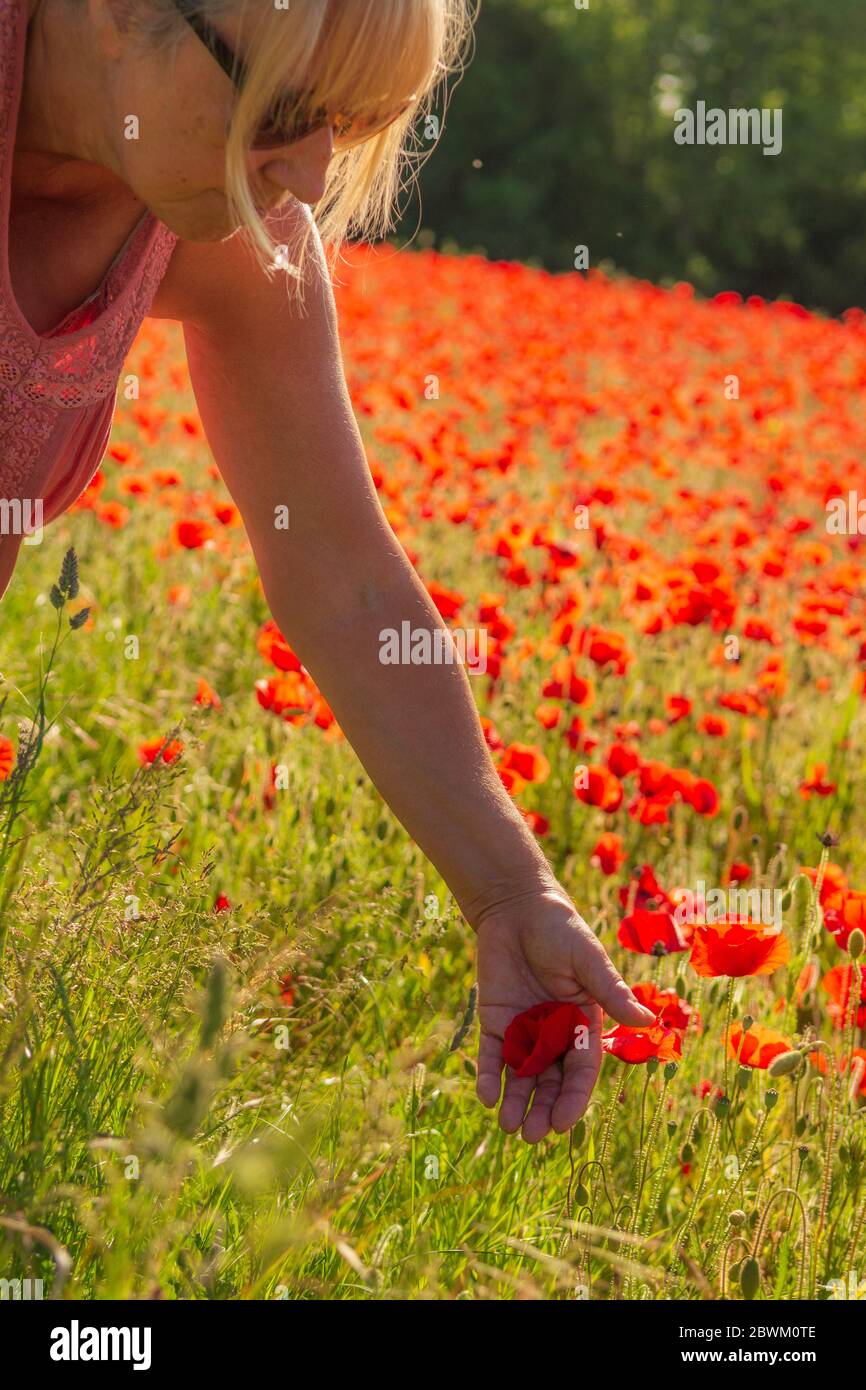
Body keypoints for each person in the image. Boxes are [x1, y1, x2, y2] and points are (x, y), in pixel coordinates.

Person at [0, 0, 655, 1143]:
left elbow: (341, 568)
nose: (303, 177)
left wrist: (508, 892)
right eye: (286, 113)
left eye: (345, 132)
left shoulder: (224, 228)